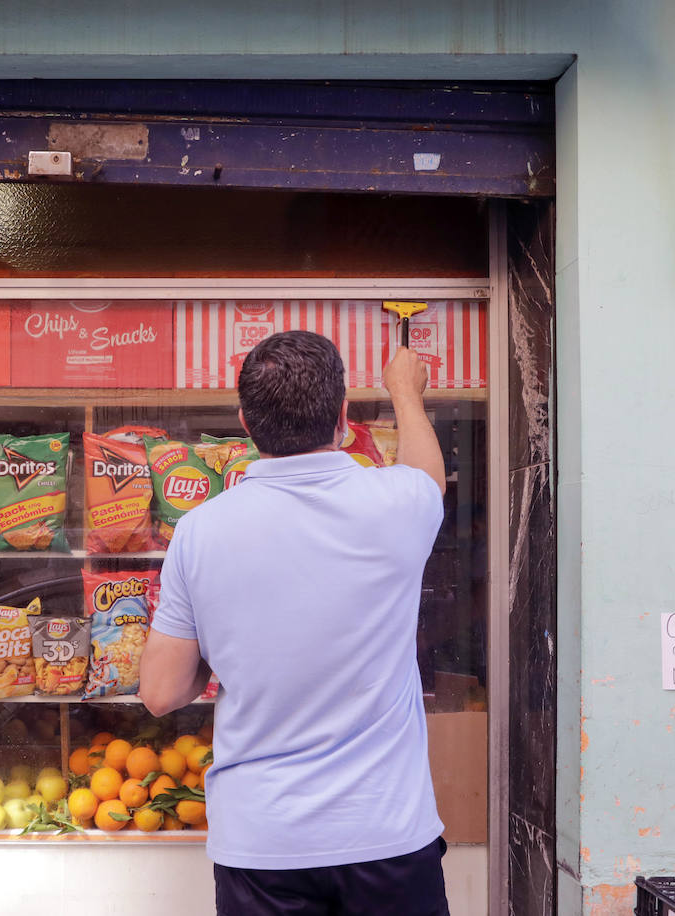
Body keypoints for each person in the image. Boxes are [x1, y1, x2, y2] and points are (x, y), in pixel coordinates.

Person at [140, 330, 449, 916]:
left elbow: (161, 693)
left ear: (245, 423)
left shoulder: (200, 533)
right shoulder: (397, 505)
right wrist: (406, 392)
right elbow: (427, 478)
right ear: (342, 415)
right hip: (386, 833)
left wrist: (226, 633)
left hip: (262, 844)